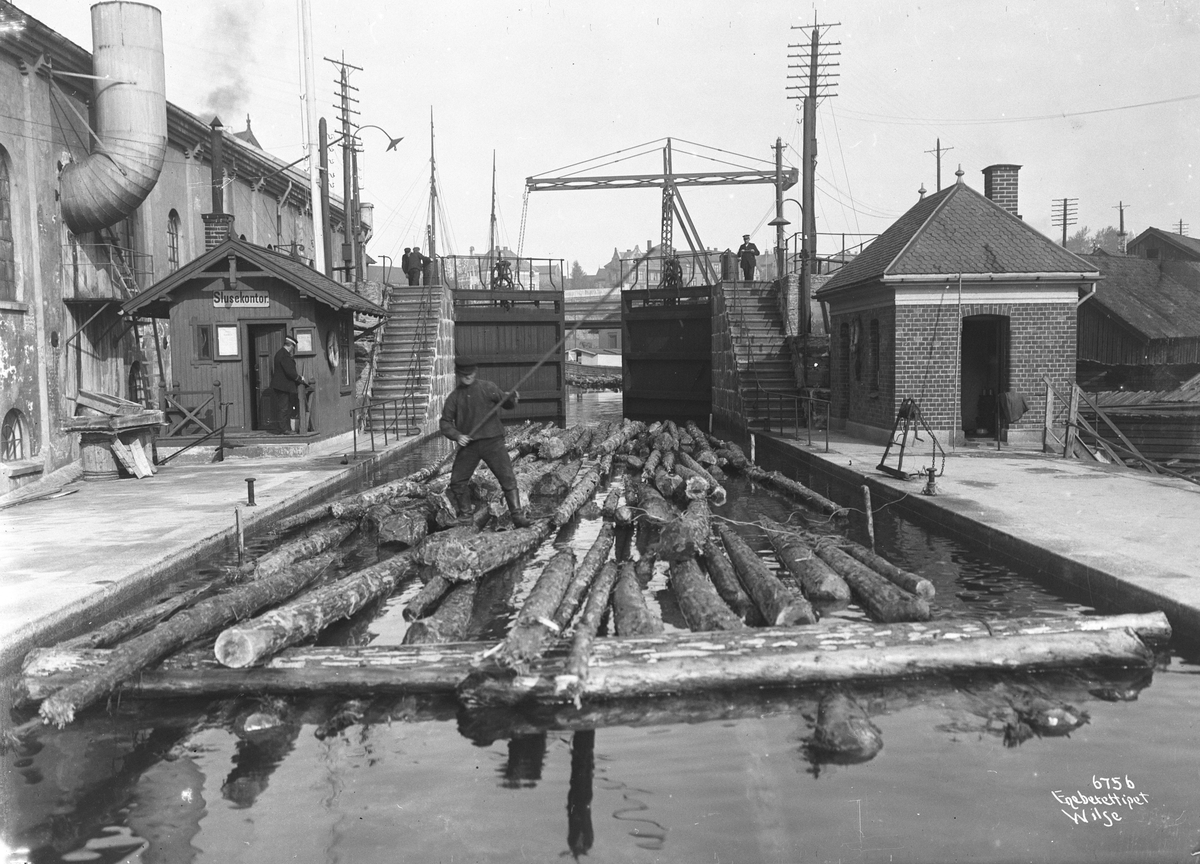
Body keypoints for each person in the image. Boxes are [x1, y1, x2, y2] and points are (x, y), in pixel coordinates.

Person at [439, 356, 530, 527]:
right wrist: (458, 435)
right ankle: (466, 516)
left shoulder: (488, 387)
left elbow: (506, 403)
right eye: (464, 374)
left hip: (493, 442)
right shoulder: (454, 398)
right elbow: (444, 422)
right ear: (458, 374)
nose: (468, 377)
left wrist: (512, 398)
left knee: (508, 479)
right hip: (470, 445)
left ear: (475, 372)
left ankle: (517, 515)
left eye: (471, 373)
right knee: (457, 481)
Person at [269, 332, 308, 433]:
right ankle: (284, 429)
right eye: (293, 347)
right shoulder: (285, 356)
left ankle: (282, 428)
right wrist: (300, 379)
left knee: (283, 407)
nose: (292, 350)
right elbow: (290, 372)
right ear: (290, 346)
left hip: (281, 386)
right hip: (283, 387)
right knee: (284, 408)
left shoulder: (279, 353)